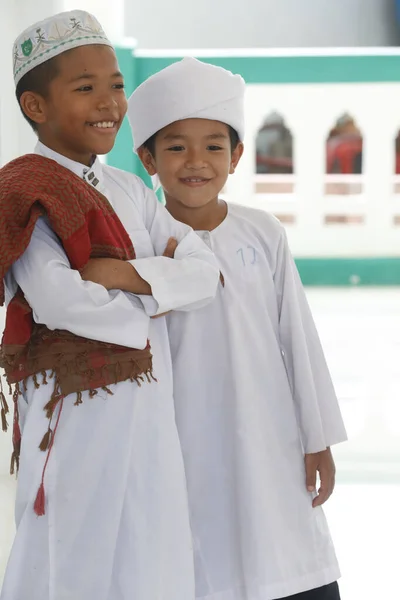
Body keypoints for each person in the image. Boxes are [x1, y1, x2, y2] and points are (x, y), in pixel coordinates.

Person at [0, 16, 220, 600]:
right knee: (73, 542)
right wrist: (156, 297)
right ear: (35, 105)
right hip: (71, 408)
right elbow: (60, 301)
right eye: (85, 87)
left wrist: (123, 277)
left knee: (150, 537)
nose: (109, 103)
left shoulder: (126, 188)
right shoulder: (25, 191)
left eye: (116, 85)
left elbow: (205, 272)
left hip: (146, 400)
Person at [126, 57, 348, 600]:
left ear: (238, 155)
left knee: (282, 547)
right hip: (180, 435)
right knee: (200, 558)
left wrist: (317, 438)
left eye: (213, 146)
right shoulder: (140, 241)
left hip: (267, 428)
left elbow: (297, 338)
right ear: (147, 159)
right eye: (175, 147)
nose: (195, 161)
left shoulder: (262, 231)